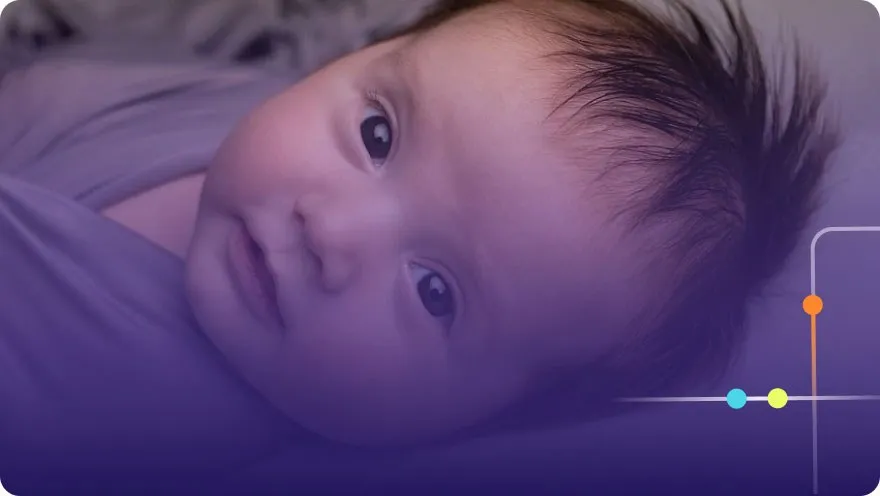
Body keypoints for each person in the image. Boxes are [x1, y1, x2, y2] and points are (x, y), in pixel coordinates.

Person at [0, 0, 837, 459]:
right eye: (377, 136)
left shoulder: (108, 396)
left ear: (492, 418)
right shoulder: (256, 122)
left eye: (435, 291)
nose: (333, 231)